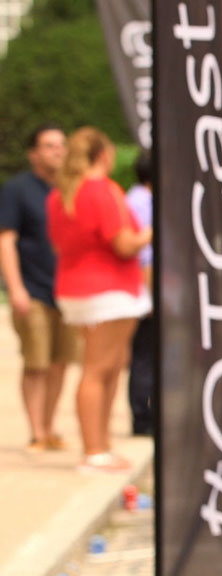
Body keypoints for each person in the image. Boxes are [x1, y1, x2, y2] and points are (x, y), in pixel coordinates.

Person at [47, 127, 152, 472]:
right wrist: (152, 232)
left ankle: (101, 446)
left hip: (74, 287)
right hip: (109, 289)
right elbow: (124, 244)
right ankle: (95, 450)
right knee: (99, 370)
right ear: (103, 155)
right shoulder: (102, 190)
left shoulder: (61, 194)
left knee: (106, 366)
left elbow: (58, 244)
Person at [0, 123, 78, 453]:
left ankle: (48, 428)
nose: (58, 151)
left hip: (67, 292)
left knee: (60, 363)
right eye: (49, 145)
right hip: (32, 290)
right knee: (37, 363)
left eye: (61, 145)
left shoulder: (70, 189)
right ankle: (35, 432)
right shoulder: (18, 190)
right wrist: (15, 288)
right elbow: (6, 240)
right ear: (33, 154)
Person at [124, 150, 154, 436]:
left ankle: (144, 415)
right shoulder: (143, 203)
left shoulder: (135, 199)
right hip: (144, 289)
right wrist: (150, 296)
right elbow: (144, 255)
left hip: (140, 287)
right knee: (144, 355)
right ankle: (143, 417)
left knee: (144, 355)